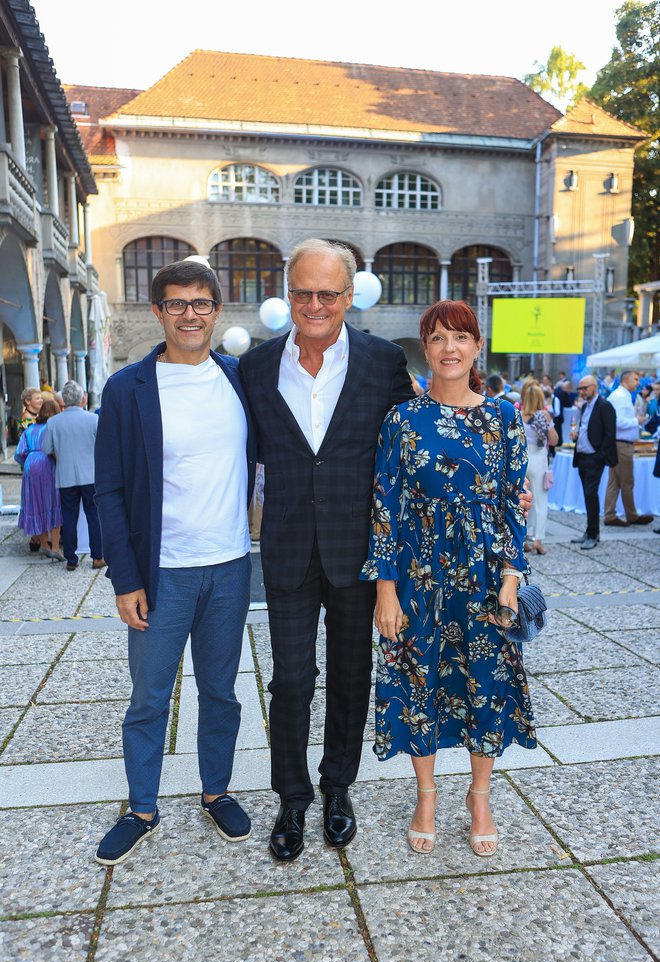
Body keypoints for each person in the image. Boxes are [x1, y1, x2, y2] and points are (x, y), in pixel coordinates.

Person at [239, 238, 416, 862]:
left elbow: (413, 447)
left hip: (356, 550)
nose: (315, 305)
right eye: (303, 292)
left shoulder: (382, 360)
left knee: (349, 677)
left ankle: (339, 787)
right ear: (289, 294)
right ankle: (291, 796)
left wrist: (491, 489)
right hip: (285, 548)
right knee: (290, 679)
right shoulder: (256, 367)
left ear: (349, 297)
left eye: (328, 294)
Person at [93, 257, 256, 866]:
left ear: (217, 311)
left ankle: (216, 790)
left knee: (221, 691)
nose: (191, 315)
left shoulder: (241, 379)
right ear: (158, 312)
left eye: (202, 304)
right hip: (161, 573)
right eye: (178, 304)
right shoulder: (128, 388)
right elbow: (108, 488)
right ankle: (141, 807)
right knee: (150, 696)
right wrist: (125, 578)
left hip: (230, 566)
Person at [362, 299, 535, 858]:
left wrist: (511, 579)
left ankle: (480, 797)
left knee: (485, 681)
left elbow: (513, 502)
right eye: (437, 338)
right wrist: (386, 590)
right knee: (420, 679)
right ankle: (427, 794)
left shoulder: (504, 417)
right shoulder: (402, 420)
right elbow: (384, 504)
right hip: (419, 572)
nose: (450, 348)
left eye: (460, 337)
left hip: (485, 575)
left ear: (477, 346)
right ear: (426, 349)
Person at [41, 381, 105, 571]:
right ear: (81, 398)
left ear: (64, 400)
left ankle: (71, 558)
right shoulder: (93, 419)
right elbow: (102, 447)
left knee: (69, 517)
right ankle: (97, 556)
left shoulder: (53, 422)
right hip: (90, 474)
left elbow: (47, 449)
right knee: (94, 515)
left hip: (65, 475)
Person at [570, 375, 618, 550]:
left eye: (584, 388)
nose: (582, 392)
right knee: (588, 496)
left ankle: (593, 534)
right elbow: (587, 428)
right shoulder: (585, 407)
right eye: (580, 389)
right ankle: (589, 531)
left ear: (595, 387)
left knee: (591, 495)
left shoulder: (605, 406)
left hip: (594, 458)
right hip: (582, 457)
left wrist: (599, 456)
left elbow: (610, 435)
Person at [14, 398, 65, 561]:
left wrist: (28, 464)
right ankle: (56, 547)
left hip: (30, 463)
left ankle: (43, 544)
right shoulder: (53, 427)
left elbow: (18, 453)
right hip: (48, 463)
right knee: (52, 502)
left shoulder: (30, 429)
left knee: (37, 504)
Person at [604, 370, 654, 528]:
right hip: (622, 444)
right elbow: (617, 421)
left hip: (620, 443)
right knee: (626, 481)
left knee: (615, 482)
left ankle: (610, 514)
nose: (639, 382)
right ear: (626, 380)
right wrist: (636, 421)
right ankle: (630, 515)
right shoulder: (620, 396)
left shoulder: (622, 395)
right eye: (636, 379)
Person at [521, 382, 558, 554]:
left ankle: (521, 539)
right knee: (541, 503)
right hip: (539, 461)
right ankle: (538, 539)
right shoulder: (544, 416)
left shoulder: (518, 415)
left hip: (522, 461)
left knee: (523, 501)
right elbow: (555, 440)